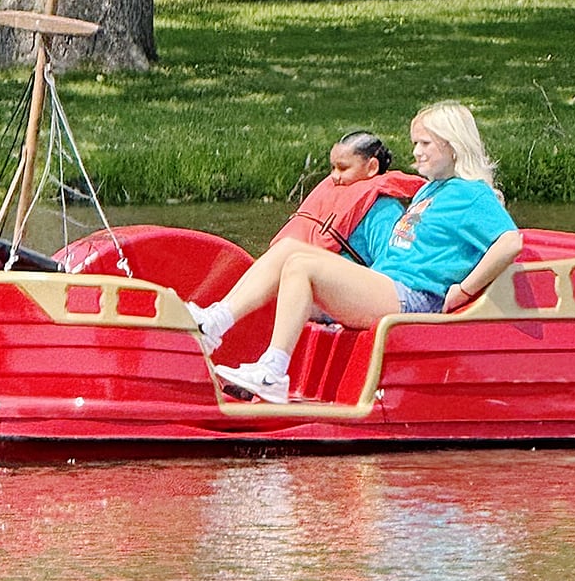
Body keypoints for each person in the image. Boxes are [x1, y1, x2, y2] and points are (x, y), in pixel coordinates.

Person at [214, 101, 524, 404]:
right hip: (386, 285)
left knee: (301, 267)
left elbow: (510, 241)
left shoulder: (472, 193)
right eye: (416, 142)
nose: (416, 151)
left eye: (426, 143)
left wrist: (464, 289)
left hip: (413, 297)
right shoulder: (433, 189)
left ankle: (272, 373)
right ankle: (215, 322)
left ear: (454, 145)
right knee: (290, 251)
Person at [187, 130, 425, 353]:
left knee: (285, 276)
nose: (334, 176)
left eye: (343, 168)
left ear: (372, 167)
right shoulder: (336, 197)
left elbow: (386, 270)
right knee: (283, 254)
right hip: (313, 287)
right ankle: (215, 320)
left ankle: (221, 330)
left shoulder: (383, 211)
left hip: (349, 299)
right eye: (332, 168)